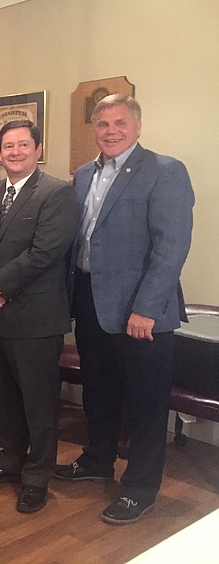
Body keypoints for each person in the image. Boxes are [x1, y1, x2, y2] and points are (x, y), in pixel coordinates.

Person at [55, 94, 194, 524]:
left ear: (137, 126)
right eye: (102, 124)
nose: (110, 131)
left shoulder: (165, 171)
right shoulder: (82, 175)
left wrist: (147, 308)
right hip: (93, 305)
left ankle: (140, 487)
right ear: (93, 129)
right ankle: (97, 459)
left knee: (145, 403)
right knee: (99, 392)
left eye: (119, 122)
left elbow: (171, 247)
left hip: (141, 314)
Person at [0, 120, 79, 513]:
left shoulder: (57, 193)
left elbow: (46, 252)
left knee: (39, 402)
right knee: (6, 397)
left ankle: (36, 476)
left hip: (36, 318)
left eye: (22, 145)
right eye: (7, 146)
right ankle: (10, 460)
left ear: (37, 148)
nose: (14, 152)